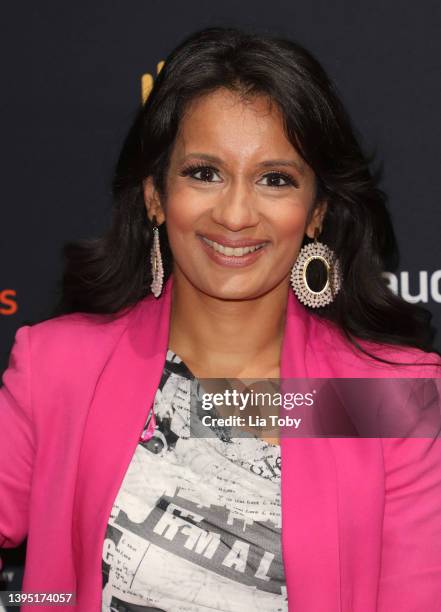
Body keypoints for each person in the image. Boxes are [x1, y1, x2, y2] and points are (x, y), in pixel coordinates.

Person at [1, 25, 440, 612]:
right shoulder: (62, 368)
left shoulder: (383, 398)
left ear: (316, 214)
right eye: (203, 172)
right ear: (155, 194)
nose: (235, 214)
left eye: (275, 179)